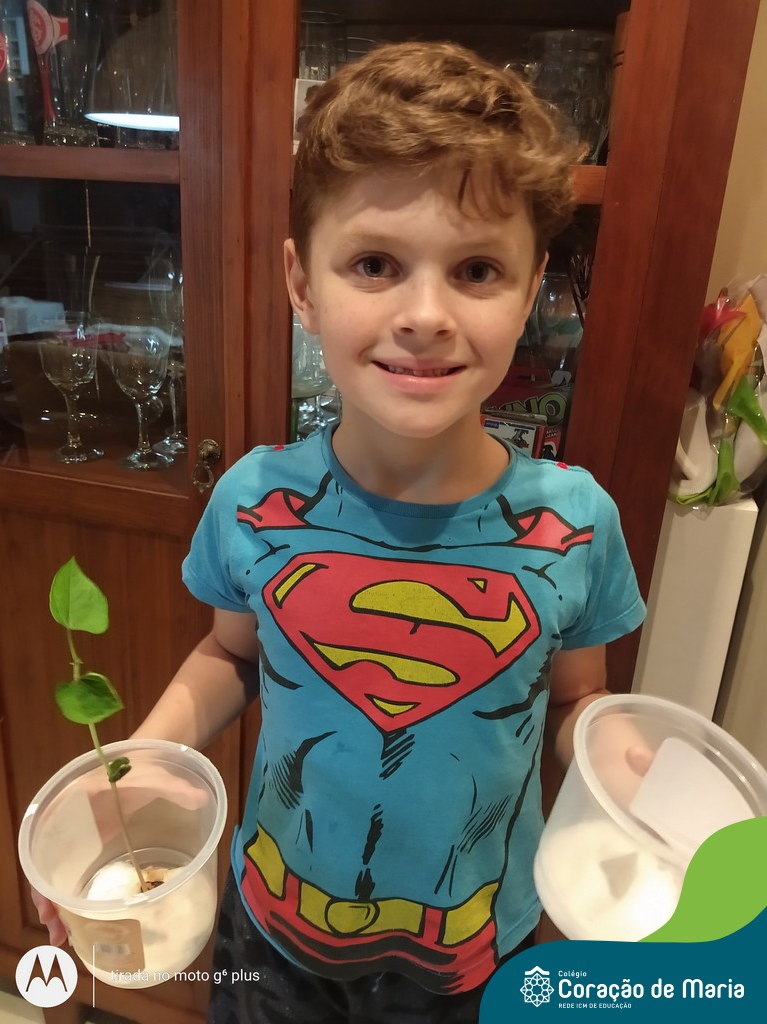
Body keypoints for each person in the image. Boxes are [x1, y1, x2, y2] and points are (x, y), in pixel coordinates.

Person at [35, 40, 646, 1023]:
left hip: (478, 952)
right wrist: (147, 753)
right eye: (375, 263)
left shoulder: (575, 523)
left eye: (477, 269)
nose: (425, 314)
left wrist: (605, 747)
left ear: (531, 291)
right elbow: (231, 655)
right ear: (302, 284)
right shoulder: (252, 501)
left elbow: (578, 695)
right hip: (273, 940)